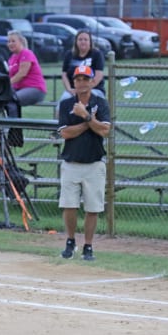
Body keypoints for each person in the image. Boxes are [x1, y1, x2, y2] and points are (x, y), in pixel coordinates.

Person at [57, 65, 111, 261]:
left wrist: (85, 116)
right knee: (69, 205)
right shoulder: (66, 104)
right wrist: (89, 123)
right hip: (71, 161)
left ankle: (88, 245)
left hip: (94, 162)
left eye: (85, 79)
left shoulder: (100, 103)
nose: (82, 83)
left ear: (92, 82)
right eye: (78, 79)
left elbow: (105, 131)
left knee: (93, 207)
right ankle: (70, 241)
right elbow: (65, 133)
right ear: (74, 82)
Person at [60, 29, 105, 103]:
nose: (83, 41)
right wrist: (69, 89)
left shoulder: (97, 54)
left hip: (93, 89)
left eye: (85, 39)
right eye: (80, 39)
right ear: (76, 42)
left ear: (90, 42)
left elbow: (98, 76)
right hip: (73, 90)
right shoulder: (69, 54)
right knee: (64, 100)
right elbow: (64, 74)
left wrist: (83, 90)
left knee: (87, 101)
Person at [6, 30, 46, 107]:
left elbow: (22, 74)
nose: (10, 44)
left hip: (35, 89)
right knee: (0, 97)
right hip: (19, 89)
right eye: (8, 41)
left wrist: (6, 83)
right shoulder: (12, 58)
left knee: (12, 100)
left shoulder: (26, 53)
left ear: (21, 42)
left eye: (13, 41)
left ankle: (12, 115)